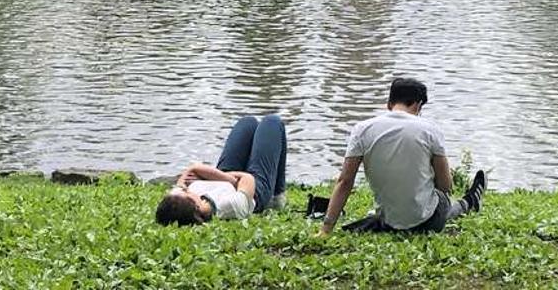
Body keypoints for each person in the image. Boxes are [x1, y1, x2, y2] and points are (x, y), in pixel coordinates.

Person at [319, 78, 484, 236]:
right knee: (442, 201)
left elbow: (345, 181)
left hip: (388, 221)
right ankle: (468, 202)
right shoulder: (430, 130)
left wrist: (326, 228)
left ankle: (468, 202)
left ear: (389, 104)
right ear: (418, 105)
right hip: (426, 223)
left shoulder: (362, 129)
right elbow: (445, 186)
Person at [155, 115, 289, 225]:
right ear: (197, 206)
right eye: (186, 192)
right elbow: (248, 179)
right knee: (272, 122)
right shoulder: (230, 206)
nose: (184, 189)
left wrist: (224, 178)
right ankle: (277, 197)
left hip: (226, 178)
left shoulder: (178, 202)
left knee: (247, 123)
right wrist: (225, 178)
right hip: (255, 190)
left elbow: (191, 170)